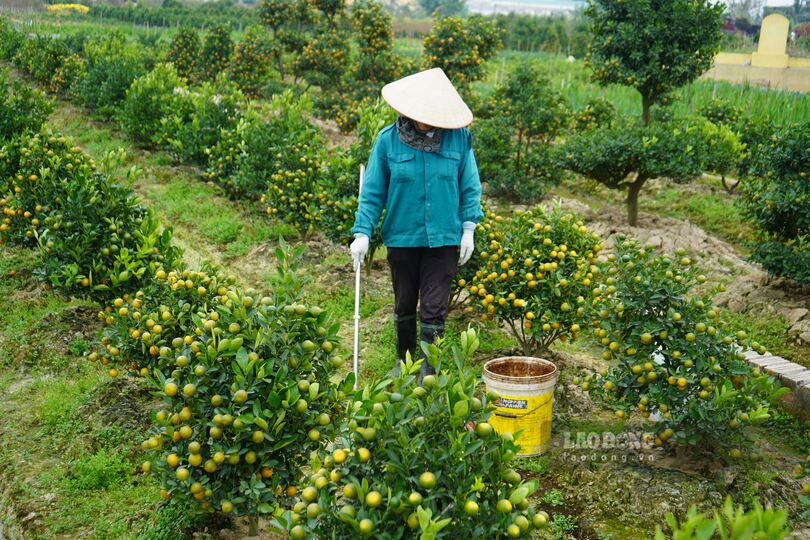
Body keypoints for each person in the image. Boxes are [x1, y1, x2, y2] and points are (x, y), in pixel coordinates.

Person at [349, 68, 483, 379]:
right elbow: (372, 192)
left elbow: (469, 185)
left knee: (434, 308)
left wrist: (468, 228)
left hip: (444, 240)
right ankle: (404, 361)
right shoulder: (387, 142)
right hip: (403, 237)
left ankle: (429, 368)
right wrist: (362, 233)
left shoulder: (458, 139)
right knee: (405, 303)